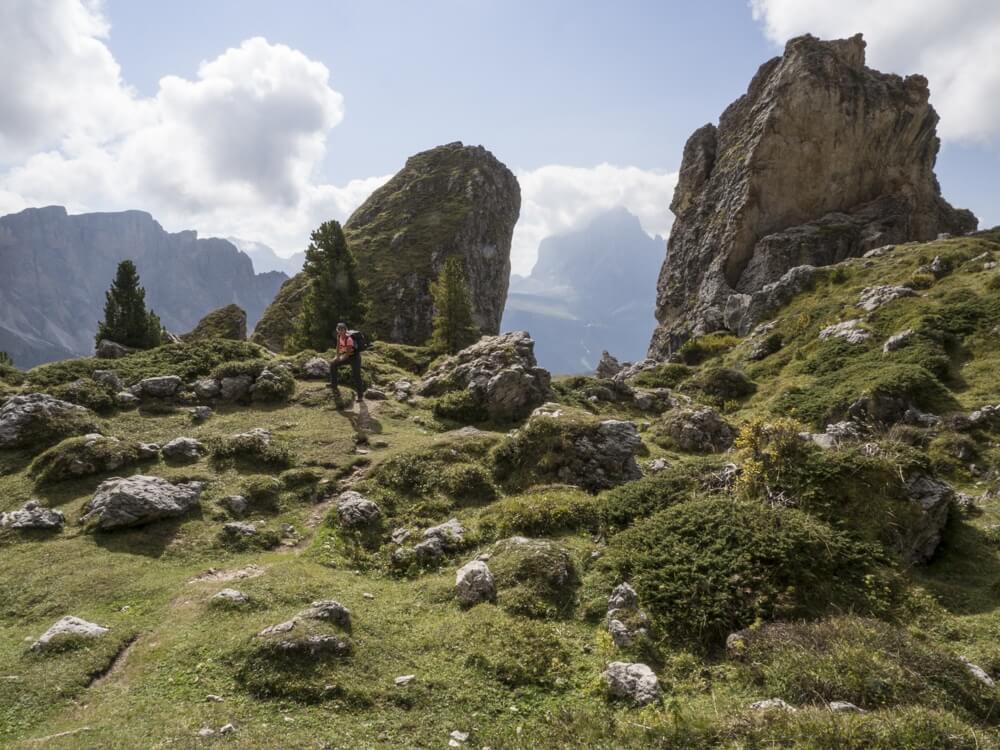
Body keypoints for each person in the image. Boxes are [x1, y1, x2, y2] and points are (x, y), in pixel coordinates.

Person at [329, 322, 364, 401]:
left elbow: (347, 354)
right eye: (339, 330)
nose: (341, 331)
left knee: (356, 376)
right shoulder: (339, 336)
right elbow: (338, 347)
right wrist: (336, 357)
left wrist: (339, 359)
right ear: (337, 330)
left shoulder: (349, 339)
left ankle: (360, 396)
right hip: (346, 356)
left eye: (342, 330)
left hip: (355, 358)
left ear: (345, 330)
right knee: (333, 364)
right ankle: (334, 385)